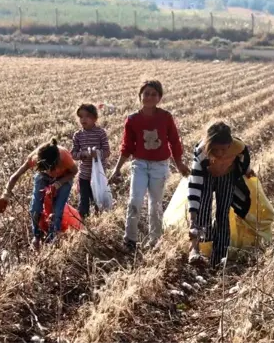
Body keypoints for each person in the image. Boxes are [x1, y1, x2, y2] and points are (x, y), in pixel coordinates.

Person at [109, 80, 190, 251]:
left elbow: (174, 142)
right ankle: (130, 239)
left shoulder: (165, 117)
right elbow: (127, 147)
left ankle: (155, 240)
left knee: (155, 204)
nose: (149, 97)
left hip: (160, 166)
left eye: (154, 94)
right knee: (135, 201)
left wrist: (179, 163)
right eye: (146, 93)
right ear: (140, 96)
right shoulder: (132, 120)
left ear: (159, 98)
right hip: (140, 164)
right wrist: (116, 169)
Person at [187, 122, 254, 267]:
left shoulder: (238, 147)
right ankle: (198, 251)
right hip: (207, 175)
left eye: (224, 149)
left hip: (227, 175)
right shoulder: (201, 153)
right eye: (216, 150)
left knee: (223, 214)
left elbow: (245, 160)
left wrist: (248, 171)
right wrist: (193, 212)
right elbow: (194, 184)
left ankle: (220, 257)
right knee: (202, 210)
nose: (221, 154)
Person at [0, 138, 78, 250]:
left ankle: (52, 239)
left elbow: (74, 171)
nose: (50, 172)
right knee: (35, 209)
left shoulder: (64, 157)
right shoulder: (35, 157)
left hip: (64, 178)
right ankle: (36, 236)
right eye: (47, 169)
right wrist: (5, 195)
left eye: (51, 169)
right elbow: (15, 176)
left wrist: (59, 183)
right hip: (43, 178)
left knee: (57, 211)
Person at [71, 104, 110, 218]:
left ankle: (99, 221)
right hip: (84, 175)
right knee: (84, 202)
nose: (83, 119)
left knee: (98, 200)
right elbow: (73, 154)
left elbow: (107, 151)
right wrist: (82, 154)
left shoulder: (100, 133)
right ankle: (83, 222)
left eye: (87, 116)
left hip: (98, 175)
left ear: (95, 118)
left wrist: (97, 153)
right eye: (81, 116)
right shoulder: (78, 135)